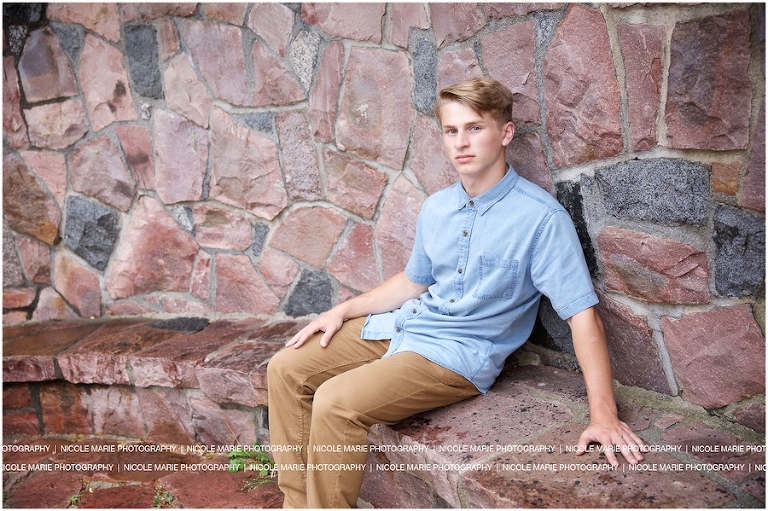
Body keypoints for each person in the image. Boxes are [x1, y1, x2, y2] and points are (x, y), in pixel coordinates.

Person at [267, 77, 646, 508]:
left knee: (335, 403)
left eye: (474, 128)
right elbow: (414, 282)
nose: (460, 143)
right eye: (451, 131)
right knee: (286, 368)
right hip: (408, 327)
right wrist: (344, 310)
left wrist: (604, 415)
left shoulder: (540, 219)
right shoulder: (438, 207)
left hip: (458, 355)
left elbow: (583, 316)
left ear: (505, 134)